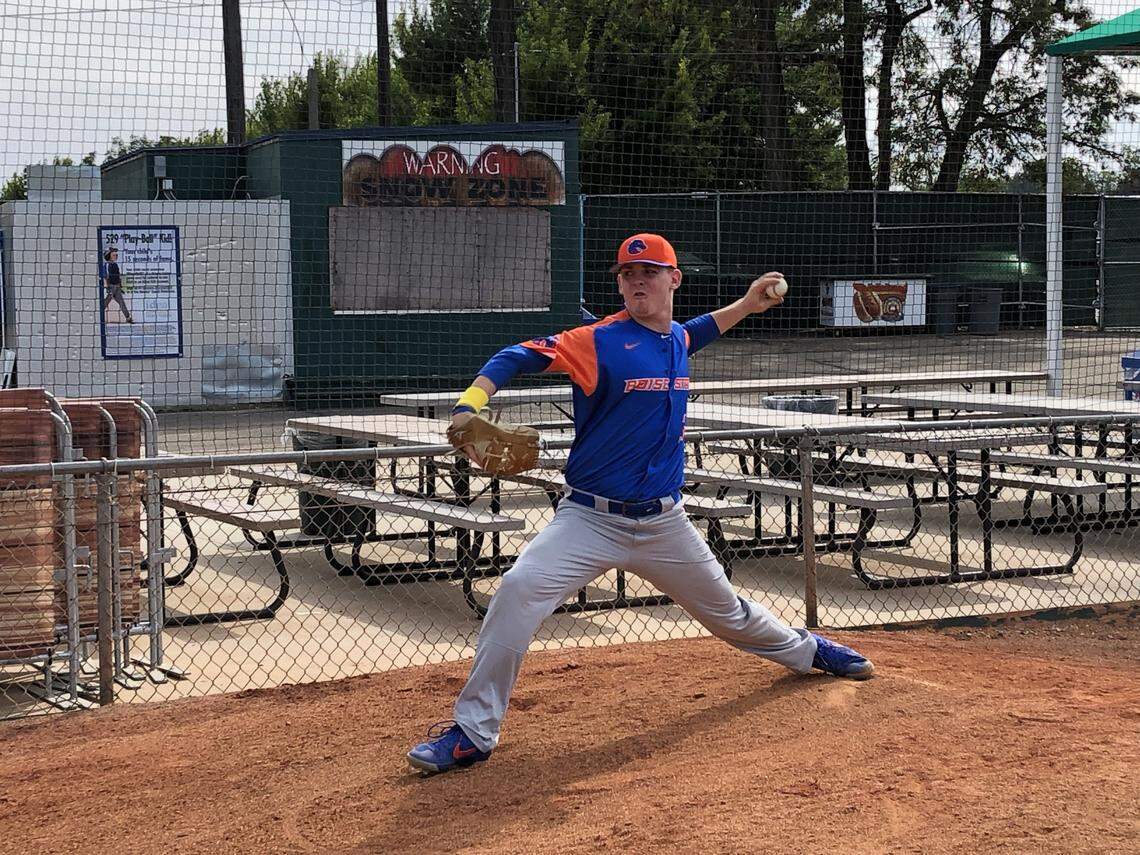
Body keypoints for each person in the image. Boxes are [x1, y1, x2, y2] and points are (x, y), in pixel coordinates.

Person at [407, 233, 874, 775]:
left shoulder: (676, 338)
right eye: (628, 275)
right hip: (588, 517)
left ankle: (806, 650)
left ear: (674, 279)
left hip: (663, 522)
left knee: (730, 615)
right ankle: (472, 731)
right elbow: (516, 355)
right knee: (516, 592)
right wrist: (470, 403)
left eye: (649, 272)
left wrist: (748, 304)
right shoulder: (599, 340)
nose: (636, 282)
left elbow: (698, 329)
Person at [101, 247, 134, 324]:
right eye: (114, 255)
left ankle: (128, 318)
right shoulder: (106, 265)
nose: (116, 256)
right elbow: (105, 276)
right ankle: (98, 316)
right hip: (111, 286)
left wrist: (120, 285)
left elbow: (118, 276)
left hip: (117, 287)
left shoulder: (115, 265)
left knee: (121, 302)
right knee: (105, 303)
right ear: (108, 255)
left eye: (116, 255)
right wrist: (107, 286)